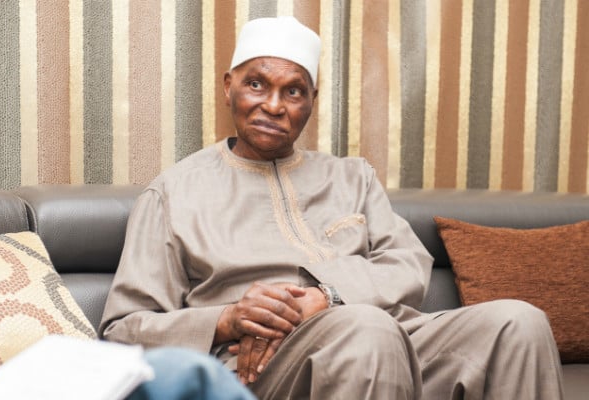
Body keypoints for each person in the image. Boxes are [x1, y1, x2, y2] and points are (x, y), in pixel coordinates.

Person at [100, 16, 564, 399]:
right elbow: (124, 330)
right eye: (257, 84)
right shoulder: (173, 193)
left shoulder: (352, 177)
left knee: (518, 323)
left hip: (392, 334)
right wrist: (227, 320)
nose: (274, 105)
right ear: (228, 88)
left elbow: (407, 263)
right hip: (264, 366)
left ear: (311, 102)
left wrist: (328, 296)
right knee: (365, 329)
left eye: (293, 91)